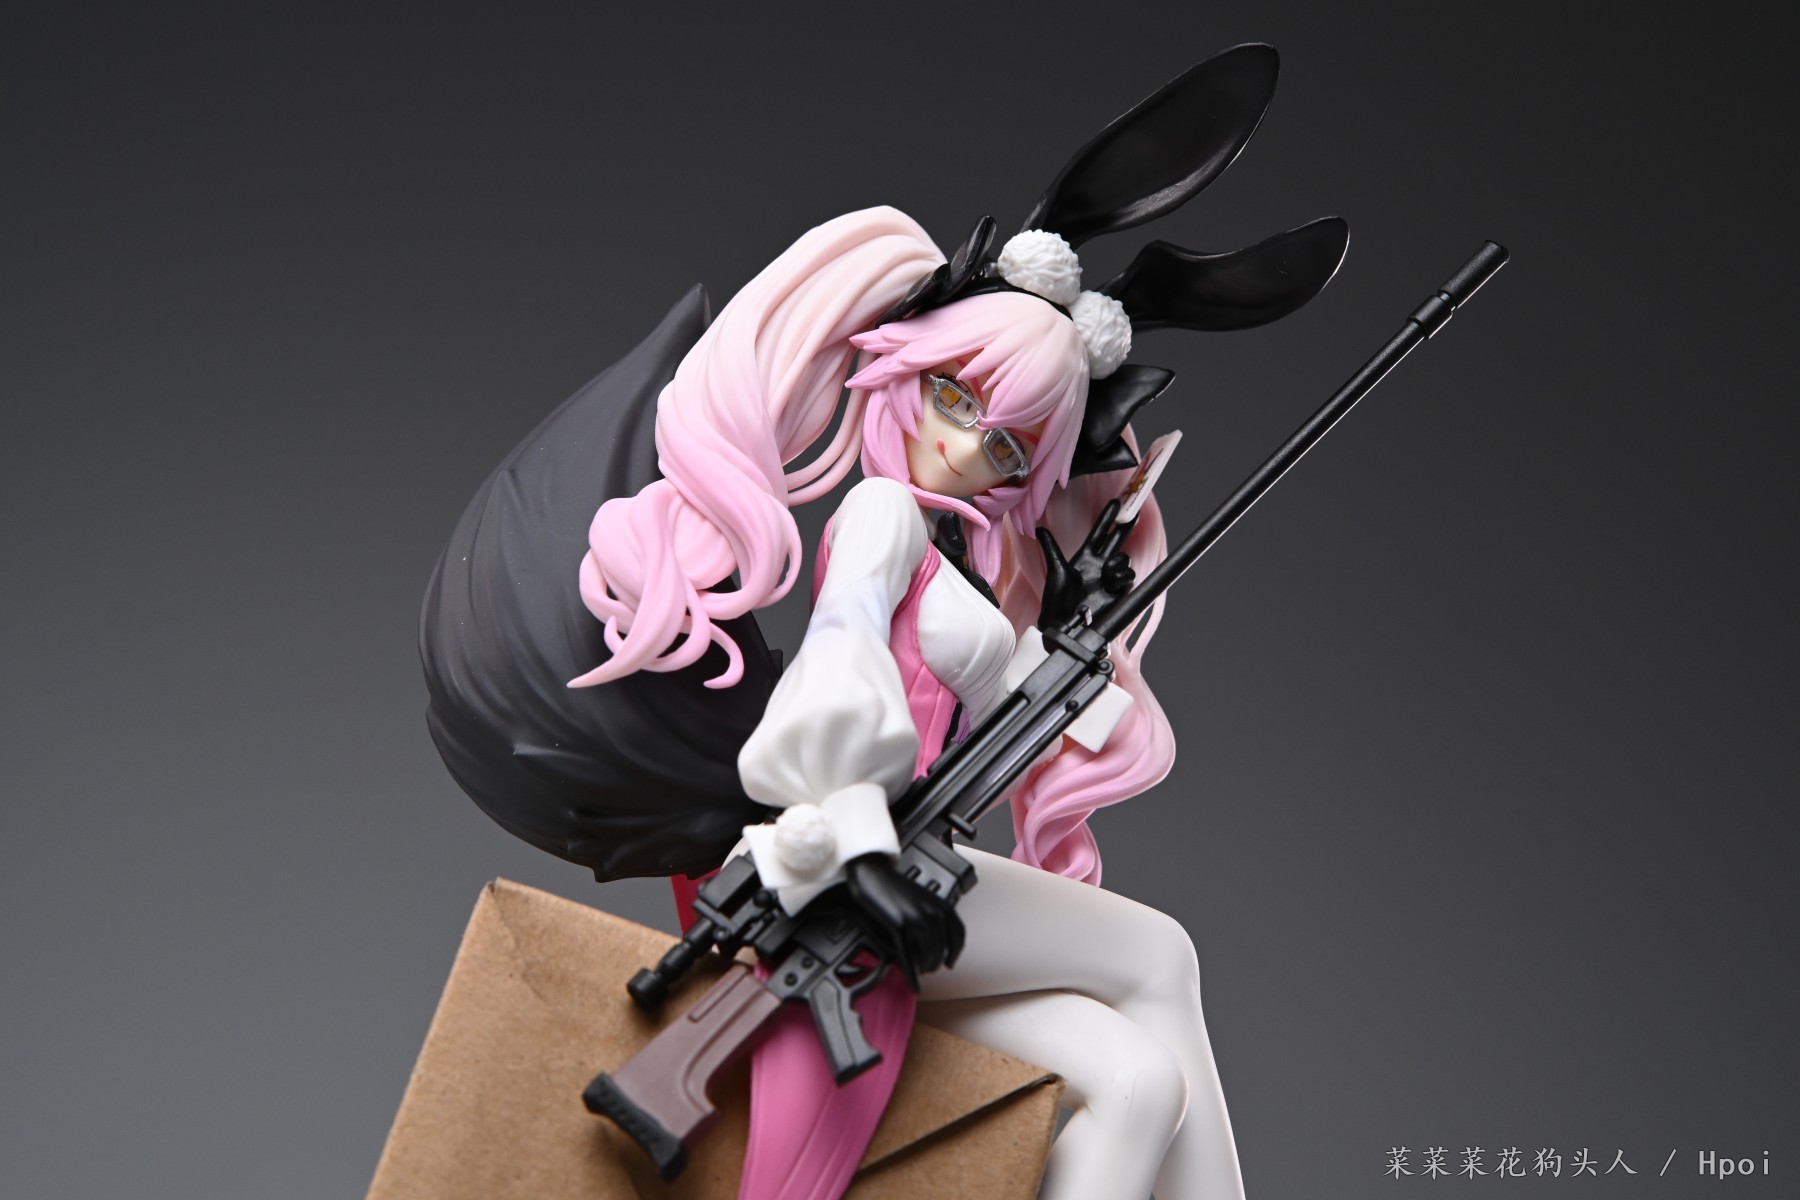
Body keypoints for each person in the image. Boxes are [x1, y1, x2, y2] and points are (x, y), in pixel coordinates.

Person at [421, 45, 1348, 1200]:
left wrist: (1087, 621)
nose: (964, 448)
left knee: (1134, 1080)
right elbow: (837, 667)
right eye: (955, 399)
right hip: (836, 864)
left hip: (894, 875)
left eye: (1007, 447)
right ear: (906, 367)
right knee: (1160, 952)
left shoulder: (965, 569)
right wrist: (859, 843)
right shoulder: (881, 518)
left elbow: (1054, 716)